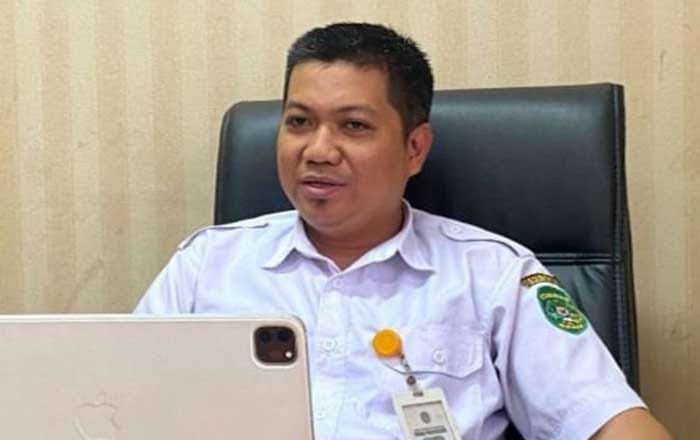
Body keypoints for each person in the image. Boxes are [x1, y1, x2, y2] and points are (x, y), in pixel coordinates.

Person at [135, 22, 670, 440]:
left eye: (353, 126)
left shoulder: (493, 275)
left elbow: (609, 422)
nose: (317, 150)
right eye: (299, 122)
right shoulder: (207, 265)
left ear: (415, 148)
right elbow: (121, 403)